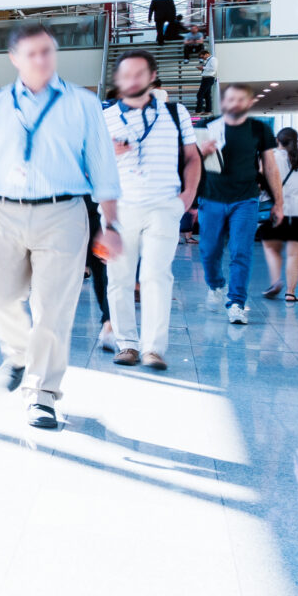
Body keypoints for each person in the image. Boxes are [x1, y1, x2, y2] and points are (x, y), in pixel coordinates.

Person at [0, 20, 121, 428]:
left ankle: (41, 394)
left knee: (53, 310)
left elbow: (103, 167)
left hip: (62, 214)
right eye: (32, 53)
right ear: (14, 59)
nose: (43, 60)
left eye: (48, 51)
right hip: (2, 212)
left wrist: (110, 223)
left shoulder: (82, 104)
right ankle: (19, 353)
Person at [100, 51, 198, 370]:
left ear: (152, 75)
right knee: (119, 277)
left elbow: (192, 157)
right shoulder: (104, 116)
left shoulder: (175, 111)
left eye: (138, 74)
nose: (132, 81)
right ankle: (127, 343)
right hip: (120, 206)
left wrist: (187, 196)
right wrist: (108, 153)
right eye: (125, 75)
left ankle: (153, 348)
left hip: (163, 205)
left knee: (156, 276)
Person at [192, 82, 281, 325]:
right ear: (224, 102)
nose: (234, 104)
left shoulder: (258, 129)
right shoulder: (207, 125)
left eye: (241, 100)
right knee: (209, 251)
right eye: (230, 99)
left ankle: (236, 303)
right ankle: (215, 284)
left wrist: (279, 202)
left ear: (249, 103)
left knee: (241, 252)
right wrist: (202, 152)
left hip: (246, 198)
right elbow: (190, 161)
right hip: (211, 197)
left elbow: (270, 167)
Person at [257, 128, 298, 301]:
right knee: (294, 255)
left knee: (271, 249)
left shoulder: (267, 159)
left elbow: (259, 183)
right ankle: (291, 293)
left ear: (277, 140)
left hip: (272, 212)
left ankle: (276, 281)